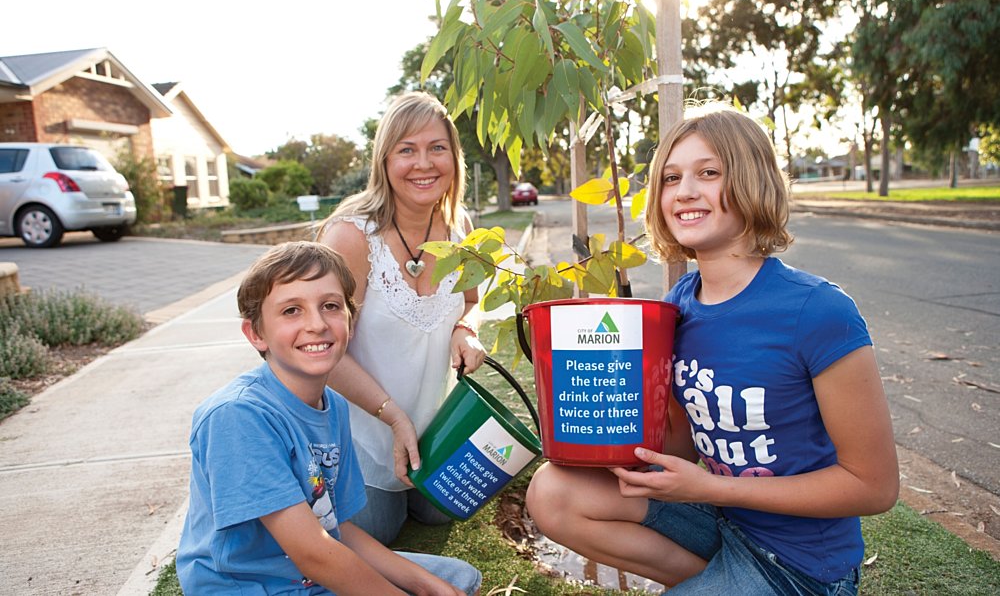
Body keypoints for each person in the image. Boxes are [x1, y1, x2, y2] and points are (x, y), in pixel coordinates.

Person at [525, 105, 899, 595]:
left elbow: (874, 486)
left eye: (708, 173)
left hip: (802, 567)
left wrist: (710, 488)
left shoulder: (819, 311)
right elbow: (679, 441)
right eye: (671, 178)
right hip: (721, 522)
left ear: (751, 180)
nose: (684, 192)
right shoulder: (679, 304)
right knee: (553, 491)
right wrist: (601, 396)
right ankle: (719, 583)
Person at [175, 241, 481, 595]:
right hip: (251, 586)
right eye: (292, 311)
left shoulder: (333, 406)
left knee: (457, 580)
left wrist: (425, 585)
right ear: (256, 334)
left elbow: (339, 530)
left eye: (331, 306)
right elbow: (314, 554)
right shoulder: (237, 417)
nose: (317, 324)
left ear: (351, 320)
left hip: (307, 573)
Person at [317, 92, 487, 544]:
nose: (423, 163)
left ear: (454, 156)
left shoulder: (460, 228)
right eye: (406, 150)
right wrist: (394, 419)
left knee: (438, 514)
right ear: (384, 160)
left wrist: (467, 330)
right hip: (366, 432)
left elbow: (471, 301)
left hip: (435, 430)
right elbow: (323, 352)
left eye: (437, 148)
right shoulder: (351, 236)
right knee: (378, 528)